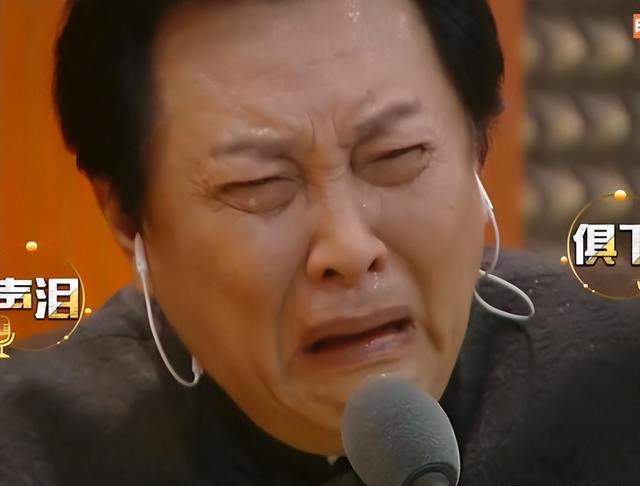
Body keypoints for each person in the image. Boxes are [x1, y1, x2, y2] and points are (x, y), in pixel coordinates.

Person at [1, 0, 639, 485]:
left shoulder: (615, 381)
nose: (349, 248)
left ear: (477, 148)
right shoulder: (30, 447)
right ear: (126, 217)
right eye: (257, 185)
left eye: (396, 156)